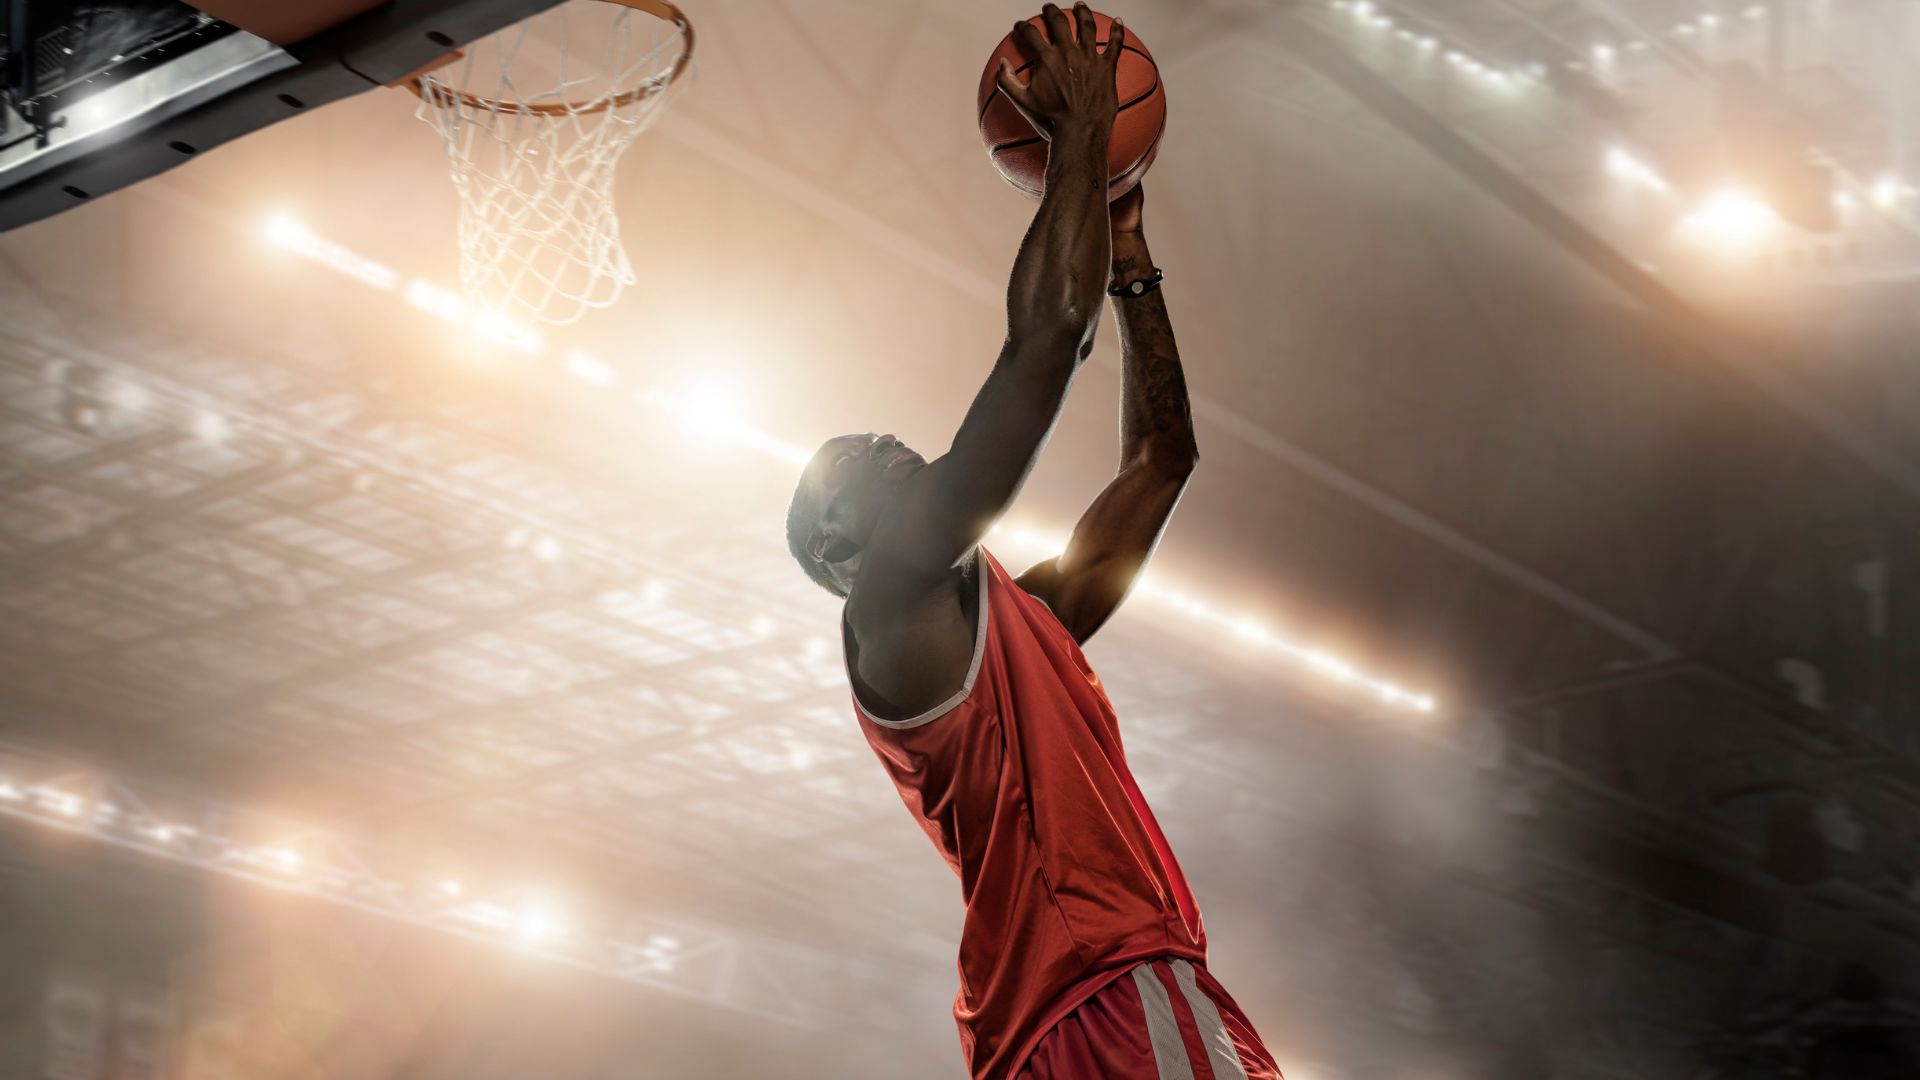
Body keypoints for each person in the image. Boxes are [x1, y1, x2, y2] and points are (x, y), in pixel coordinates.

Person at [783, 5, 1280, 1077]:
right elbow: (1043, 345)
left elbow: (1160, 465)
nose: (890, 439)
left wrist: (1133, 264)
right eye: (859, 455)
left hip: (1054, 1026)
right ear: (836, 548)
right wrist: (1079, 137)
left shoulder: (1022, 624)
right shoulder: (886, 608)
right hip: (1103, 994)